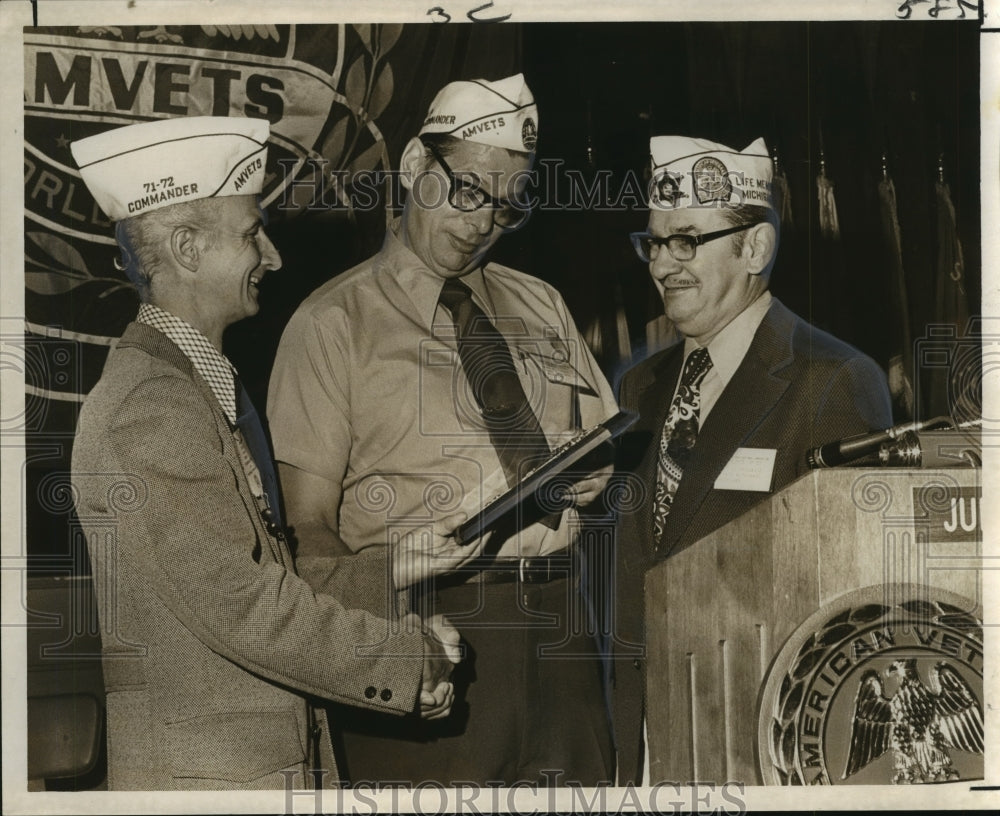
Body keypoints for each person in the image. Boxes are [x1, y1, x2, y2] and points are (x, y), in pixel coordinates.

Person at [69, 116, 478, 791]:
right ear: (188, 250)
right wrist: (405, 660)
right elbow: (246, 606)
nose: (274, 257)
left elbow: (261, 574)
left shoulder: (191, 389)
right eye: (251, 233)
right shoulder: (152, 408)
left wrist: (394, 571)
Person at [267, 74, 619, 786]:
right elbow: (305, 533)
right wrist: (394, 649)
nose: (483, 222)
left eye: (508, 207)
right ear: (414, 165)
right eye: (468, 192)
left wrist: (595, 473)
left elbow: (606, 446)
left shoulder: (541, 303)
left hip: (562, 629)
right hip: (434, 630)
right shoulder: (331, 326)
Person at [611, 135, 893, 784]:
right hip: (643, 747)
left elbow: (853, 609)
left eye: (686, 240)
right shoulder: (637, 389)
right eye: (652, 243)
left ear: (756, 248)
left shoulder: (833, 380)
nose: (661, 265)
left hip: (760, 747)